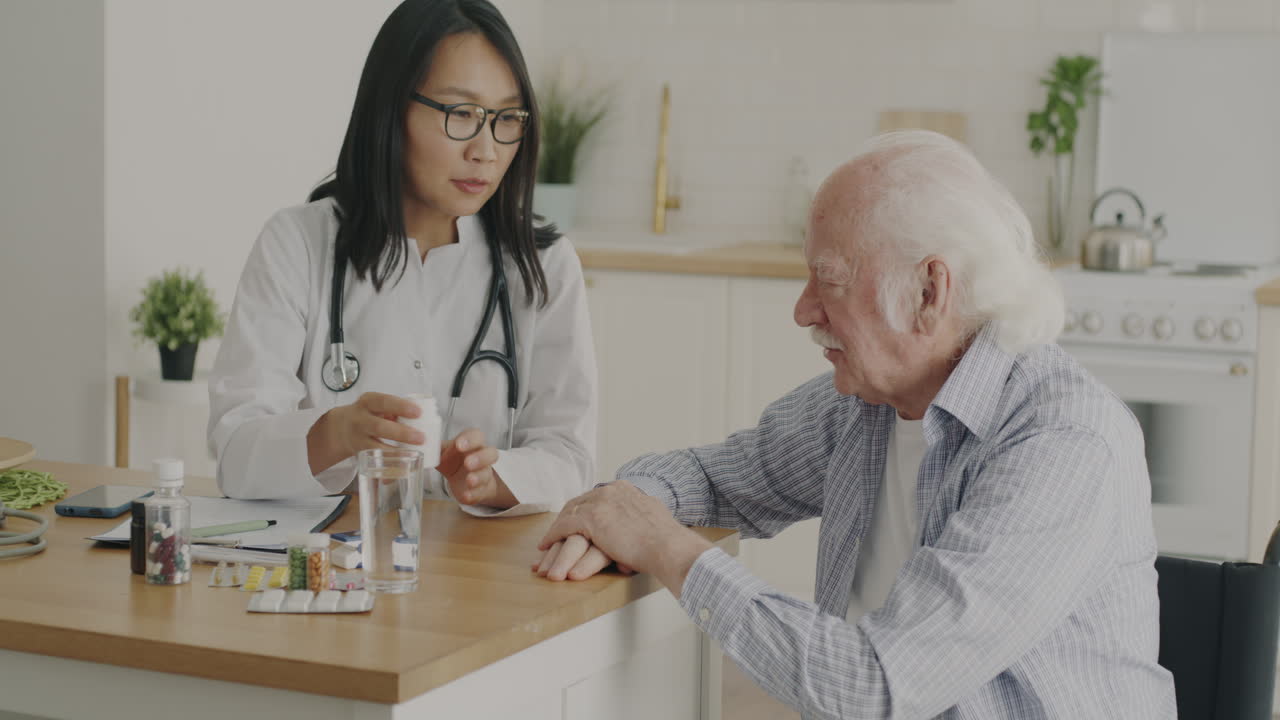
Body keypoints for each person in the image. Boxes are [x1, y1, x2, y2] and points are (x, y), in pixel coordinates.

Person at [534, 131, 1177, 716]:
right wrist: (622, 510)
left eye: (829, 280)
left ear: (930, 292)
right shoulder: (864, 405)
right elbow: (716, 476)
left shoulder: (1061, 446)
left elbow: (876, 687)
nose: (803, 309)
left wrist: (665, 547)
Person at [208, 0, 596, 517]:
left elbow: (570, 457)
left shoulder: (544, 265)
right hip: (334, 575)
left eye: (507, 118)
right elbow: (236, 455)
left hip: (485, 583)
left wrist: (493, 476)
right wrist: (337, 433)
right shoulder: (297, 244)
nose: (486, 149)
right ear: (392, 108)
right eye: (461, 114)